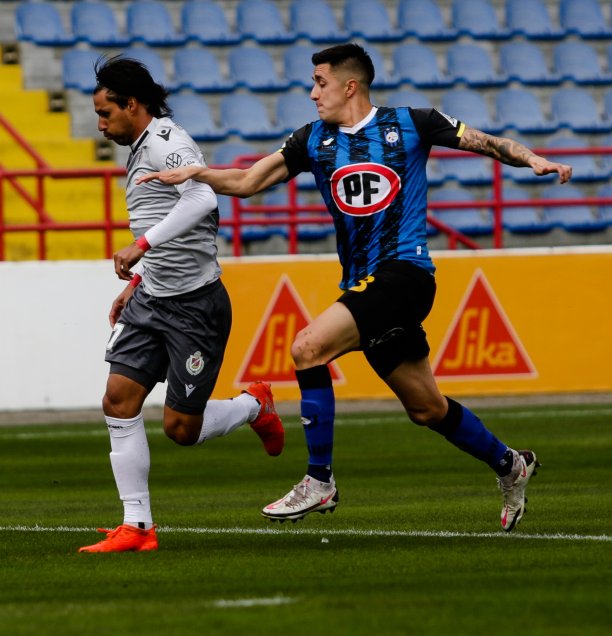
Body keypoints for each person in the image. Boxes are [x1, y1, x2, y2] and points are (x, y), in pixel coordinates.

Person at [137, 43, 573, 532]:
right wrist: (197, 172)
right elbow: (245, 181)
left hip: (405, 273)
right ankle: (510, 464)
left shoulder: (413, 122)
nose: (312, 93)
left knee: (307, 347)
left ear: (350, 85)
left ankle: (319, 481)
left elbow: (485, 142)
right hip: (365, 283)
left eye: (319, 83)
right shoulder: (312, 141)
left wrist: (533, 158)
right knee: (427, 409)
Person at [78, 56, 285, 553]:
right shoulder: (142, 146)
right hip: (152, 298)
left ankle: (253, 405)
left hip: (195, 306)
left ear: (133, 104)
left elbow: (202, 201)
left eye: (106, 114)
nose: (101, 125)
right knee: (117, 401)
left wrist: (140, 247)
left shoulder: (169, 143)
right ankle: (137, 527)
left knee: (180, 429)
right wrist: (140, 279)